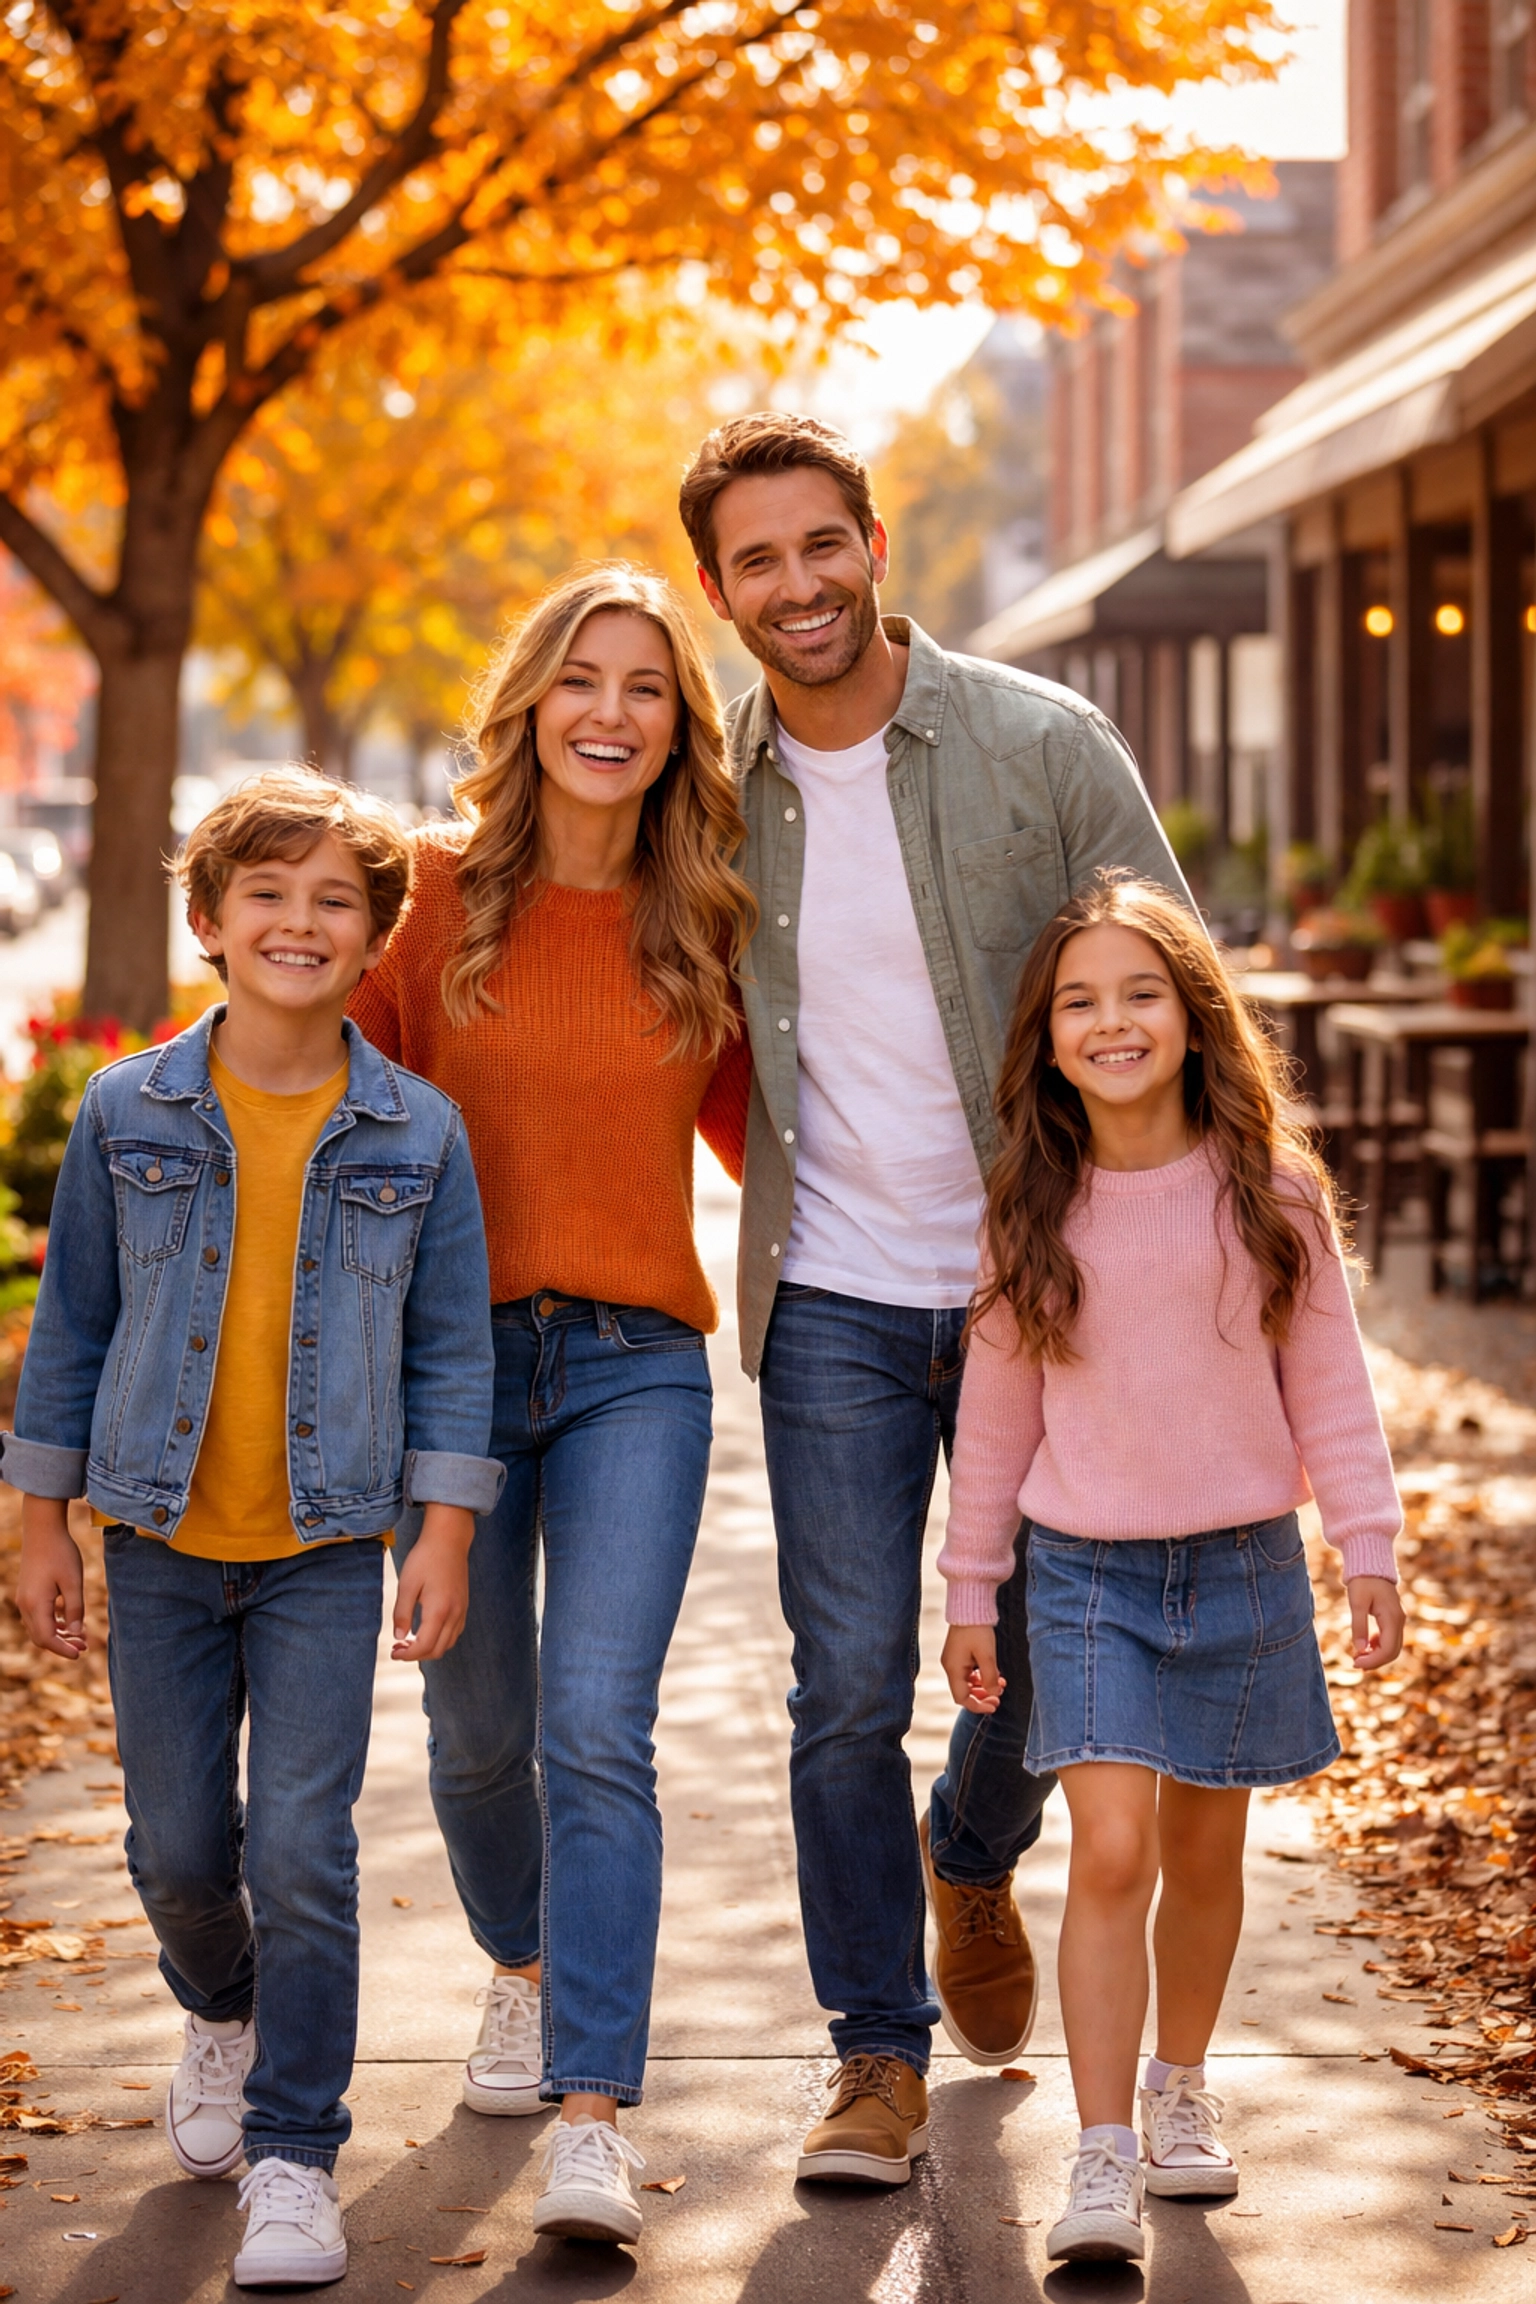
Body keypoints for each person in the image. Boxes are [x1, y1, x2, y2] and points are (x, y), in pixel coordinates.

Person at [678, 412, 1191, 2184]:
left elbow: (1175, 1002)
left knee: (1053, 1659)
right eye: (758, 559)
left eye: (823, 545)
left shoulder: (1043, 746)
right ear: (718, 587)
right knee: (839, 1682)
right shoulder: (702, 792)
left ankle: (967, 1850)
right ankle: (872, 2058)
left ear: (875, 545)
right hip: (826, 1291)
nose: (798, 584)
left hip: (1040, 1294)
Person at [4, 769, 501, 2290]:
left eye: (333, 901)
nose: (298, 923)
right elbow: (75, 1321)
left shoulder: (417, 1132)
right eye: (266, 896)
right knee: (171, 1850)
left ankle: (297, 2150)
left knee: (303, 1848)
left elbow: (450, 1347)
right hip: (153, 1540)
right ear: (211, 920)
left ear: (373, 938)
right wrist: (37, 1522)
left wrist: (445, 1531)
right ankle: (222, 2009)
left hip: (320, 1545)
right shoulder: (125, 1108)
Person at [347, 564, 755, 2248]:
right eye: (581, 680)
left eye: (646, 688)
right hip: (448, 1374)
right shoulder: (426, 902)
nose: (610, 713)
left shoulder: (704, 919)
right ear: (527, 703)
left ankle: (593, 2102)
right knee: (479, 1730)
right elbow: (308, 1084)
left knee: (600, 1729)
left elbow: (788, 1141)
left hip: (635, 1370)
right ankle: (520, 1963)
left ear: (680, 727)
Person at [939, 873, 1404, 2263]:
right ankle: (1100, 2154)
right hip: (1084, 1576)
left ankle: (1180, 2088)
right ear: (1048, 1038)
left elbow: (1333, 1389)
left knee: (1207, 1853)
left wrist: (1365, 1548)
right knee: (1115, 1849)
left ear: (1197, 1021)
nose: (1112, 1020)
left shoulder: (1273, 1197)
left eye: (1143, 992)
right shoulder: (1033, 1206)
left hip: (1246, 1566)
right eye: (1079, 1001)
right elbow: (996, 1419)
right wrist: (973, 1587)